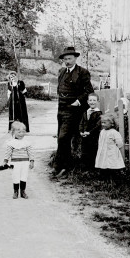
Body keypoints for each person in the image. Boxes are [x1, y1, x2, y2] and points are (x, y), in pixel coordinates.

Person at [52, 46, 95, 177]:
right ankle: (60, 165)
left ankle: (63, 167)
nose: (67, 61)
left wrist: (78, 101)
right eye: (65, 59)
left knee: (63, 137)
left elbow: (89, 91)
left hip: (74, 110)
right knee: (61, 138)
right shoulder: (61, 72)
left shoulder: (82, 72)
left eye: (69, 58)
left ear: (75, 58)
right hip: (61, 109)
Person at [3, 120, 35, 199]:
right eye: (19, 132)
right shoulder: (11, 143)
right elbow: (8, 153)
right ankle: (15, 191)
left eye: (23, 132)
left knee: (24, 176)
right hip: (15, 163)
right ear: (13, 132)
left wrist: (32, 161)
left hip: (25, 162)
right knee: (15, 176)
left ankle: (23, 191)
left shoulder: (27, 143)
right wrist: (5, 161)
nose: (21, 134)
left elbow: (30, 153)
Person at [94, 115, 125, 180]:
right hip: (103, 151)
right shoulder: (102, 132)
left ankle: (114, 179)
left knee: (112, 164)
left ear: (112, 124)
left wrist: (114, 148)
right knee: (103, 164)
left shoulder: (114, 132)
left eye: (105, 123)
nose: (102, 124)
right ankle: (104, 178)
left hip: (111, 152)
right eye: (102, 122)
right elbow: (100, 141)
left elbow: (120, 143)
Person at [78, 92, 103, 170]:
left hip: (93, 137)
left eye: (94, 100)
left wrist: (89, 132)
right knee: (84, 151)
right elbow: (81, 123)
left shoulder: (98, 113)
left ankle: (93, 169)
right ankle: (84, 169)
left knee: (92, 152)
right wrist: (81, 131)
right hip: (84, 137)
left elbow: (97, 126)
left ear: (97, 102)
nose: (92, 102)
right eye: (90, 100)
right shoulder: (85, 112)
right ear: (87, 102)